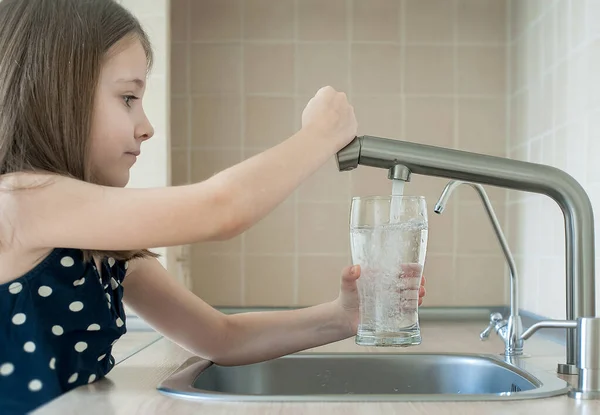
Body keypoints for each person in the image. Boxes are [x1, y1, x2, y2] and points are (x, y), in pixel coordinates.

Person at [0, 0, 426, 413]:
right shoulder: (19, 203)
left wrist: (342, 317)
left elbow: (222, 337)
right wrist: (319, 136)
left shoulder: (100, 248)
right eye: (128, 97)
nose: (146, 127)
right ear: (55, 93)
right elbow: (222, 208)